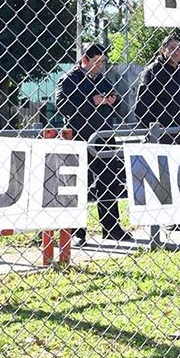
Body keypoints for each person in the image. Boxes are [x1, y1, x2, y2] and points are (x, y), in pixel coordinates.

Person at [55, 43, 132, 244]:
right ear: (84, 60)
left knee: (109, 182)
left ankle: (112, 228)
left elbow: (120, 106)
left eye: (103, 62)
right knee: (80, 183)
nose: (100, 66)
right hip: (80, 137)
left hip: (104, 137)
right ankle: (76, 232)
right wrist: (92, 101)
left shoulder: (104, 80)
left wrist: (113, 100)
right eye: (96, 62)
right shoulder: (69, 79)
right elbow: (63, 105)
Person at [134, 35, 180, 143]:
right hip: (162, 134)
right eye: (172, 48)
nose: (177, 51)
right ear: (163, 50)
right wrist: (154, 130)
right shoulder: (152, 71)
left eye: (179, 48)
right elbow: (143, 106)